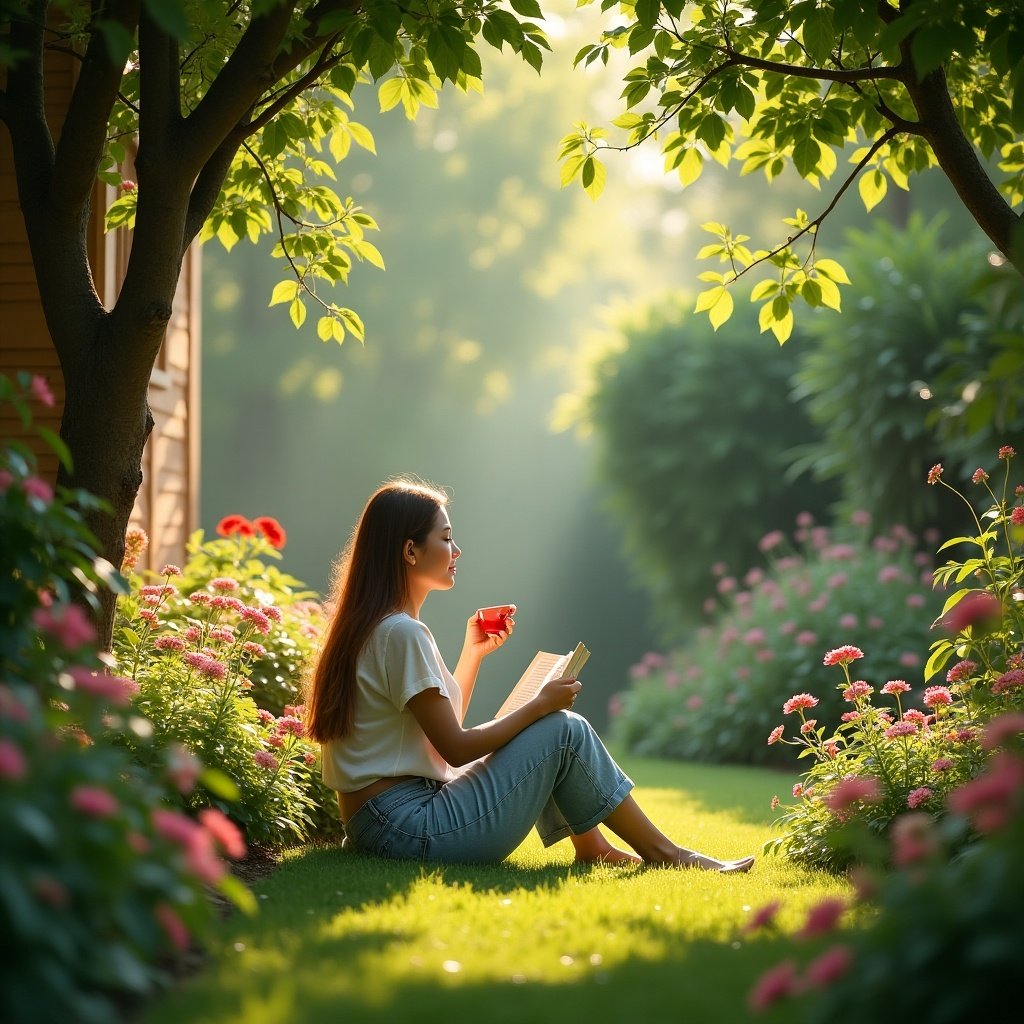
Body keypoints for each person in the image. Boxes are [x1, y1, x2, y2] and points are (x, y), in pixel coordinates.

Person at [305, 478, 754, 872]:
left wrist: (473, 653)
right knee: (563, 730)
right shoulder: (402, 633)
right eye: (445, 538)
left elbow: (442, 727)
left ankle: (594, 846)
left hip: (382, 824)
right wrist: (540, 705)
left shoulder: (376, 626)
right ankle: (666, 854)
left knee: (547, 730)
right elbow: (456, 748)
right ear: (409, 550)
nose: (456, 550)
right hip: (411, 828)